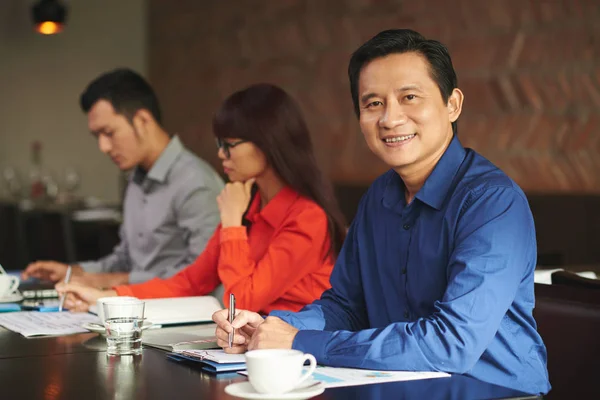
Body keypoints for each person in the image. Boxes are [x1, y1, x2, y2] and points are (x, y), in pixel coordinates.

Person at [212, 30, 551, 395]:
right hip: (399, 387)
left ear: (452, 104)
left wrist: (298, 341)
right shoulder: (380, 196)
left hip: (493, 392)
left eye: (409, 97)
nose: (390, 118)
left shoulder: (492, 202)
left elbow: (451, 344)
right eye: (373, 103)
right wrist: (268, 328)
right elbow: (346, 306)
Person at [56, 83, 347, 314]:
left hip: (294, 357)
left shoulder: (307, 217)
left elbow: (240, 301)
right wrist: (105, 298)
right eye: (220, 144)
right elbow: (190, 282)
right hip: (247, 344)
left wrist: (232, 225)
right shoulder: (249, 205)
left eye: (229, 145)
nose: (221, 154)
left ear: (267, 143)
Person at [22, 68, 223, 288]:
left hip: (182, 315)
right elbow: (126, 261)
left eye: (108, 133)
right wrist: (74, 272)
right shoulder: (136, 179)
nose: (103, 147)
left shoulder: (195, 182)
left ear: (143, 120)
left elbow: (205, 274)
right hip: (137, 310)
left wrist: (109, 281)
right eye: (97, 136)